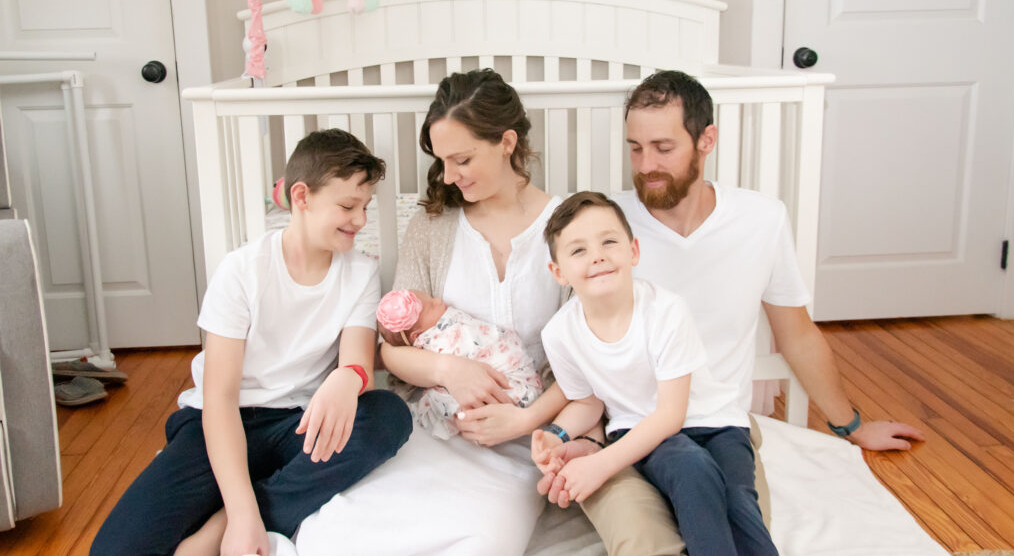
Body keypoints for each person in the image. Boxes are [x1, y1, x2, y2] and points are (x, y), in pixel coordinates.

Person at [535, 70, 926, 555]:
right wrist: (568, 437)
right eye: (635, 148)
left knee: (737, 528)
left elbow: (797, 335)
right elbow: (592, 359)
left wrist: (850, 425)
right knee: (648, 546)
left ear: (706, 140)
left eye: (663, 147)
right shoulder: (604, 228)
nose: (646, 164)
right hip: (623, 432)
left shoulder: (761, 219)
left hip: (719, 424)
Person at [294, 69, 579, 556]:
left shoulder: (570, 224)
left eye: (462, 158)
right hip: (434, 424)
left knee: (478, 543)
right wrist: (451, 370)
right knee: (338, 534)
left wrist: (525, 421)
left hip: (522, 442)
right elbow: (392, 351)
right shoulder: (432, 227)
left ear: (507, 141)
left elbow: (588, 363)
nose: (449, 176)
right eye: (442, 161)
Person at [90, 129, 412, 556]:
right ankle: (246, 508)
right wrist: (244, 516)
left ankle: (219, 528)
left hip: (301, 421)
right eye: (348, 206)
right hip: (225, 419)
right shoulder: (241, 271)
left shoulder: (360, 273)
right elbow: (219, 398)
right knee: (114, 551)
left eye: (365, 207)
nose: (360, 221)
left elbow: (355, 362)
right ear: (302, 196)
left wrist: (349, 378)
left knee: (388, 415)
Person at [535, 191, 776, 555]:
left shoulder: (665, 311)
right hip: (637, 428)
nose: (597, 255)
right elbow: (587, 403)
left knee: (739, 501)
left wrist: (600, 465)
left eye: (609, 242)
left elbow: (671, 414)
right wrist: (556, 434)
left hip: (716, 421)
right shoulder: (559, 334)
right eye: (578, 250)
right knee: (690, 467)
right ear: (558, 272)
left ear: (633, 251)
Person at [376, 288, 543, 439]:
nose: (438, 300)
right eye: (431, 306)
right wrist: (447, 370)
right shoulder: (435, 342)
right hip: (492, 401)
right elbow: (385, 351)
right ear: (416, 336)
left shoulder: (454, 325)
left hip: (521, 385)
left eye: (432, 298)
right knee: (437, 399)